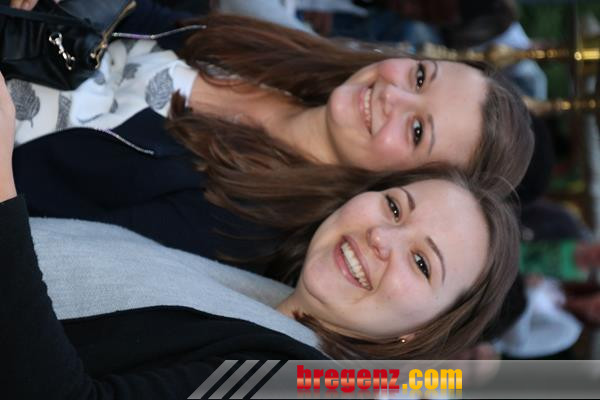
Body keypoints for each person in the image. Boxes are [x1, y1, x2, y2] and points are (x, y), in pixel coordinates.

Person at [0, 70, 521, 398]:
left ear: (422, 334)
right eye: (394, 207)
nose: (383, 239)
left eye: (422, 263)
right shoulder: (262, 300)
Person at [9, 1, 532, 279]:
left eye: (417, 130)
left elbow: (52, 245)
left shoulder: (244, 228)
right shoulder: (285, 62)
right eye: (419, 77)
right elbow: (136, 19)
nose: (394, 95)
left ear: (410, 184)